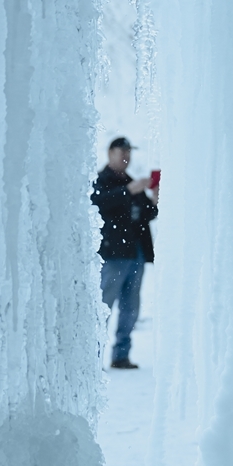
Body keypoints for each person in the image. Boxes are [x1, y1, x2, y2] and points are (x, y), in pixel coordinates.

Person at [92, 137, 158, 369]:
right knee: (104, 307)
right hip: (113, 254)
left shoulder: (131, 182)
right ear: (110, 153)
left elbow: (146, 214)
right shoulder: (102, 180)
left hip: (135, 254)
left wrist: (155, 200)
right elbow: (98, 203)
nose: (126, 157)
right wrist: (128, 191)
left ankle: (121, 355)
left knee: (131, 308)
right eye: (122, 152)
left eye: (128, 152)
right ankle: (92, 356)